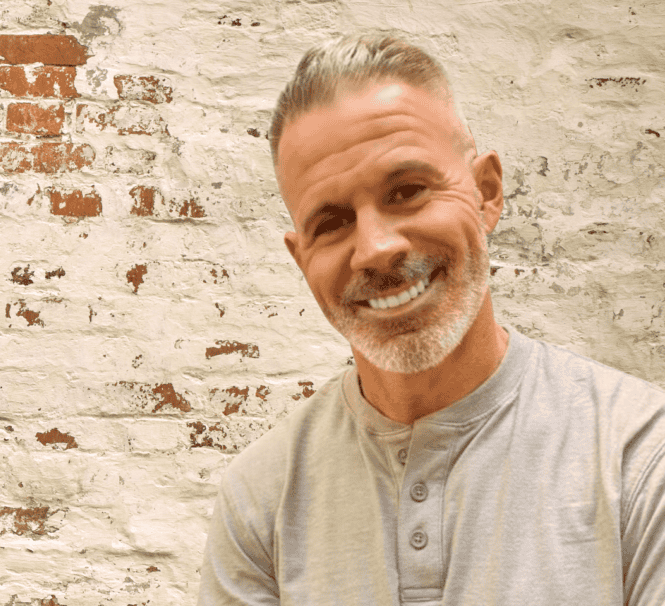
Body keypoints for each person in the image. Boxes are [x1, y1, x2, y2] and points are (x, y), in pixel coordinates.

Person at [197, 34, 665, 605]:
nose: (374, 248)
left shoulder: (639, 456)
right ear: (302, 259)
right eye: (332, 221)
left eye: (408, 191)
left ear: (486, 192)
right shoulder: (262, 498)